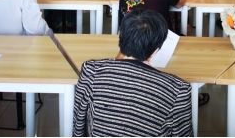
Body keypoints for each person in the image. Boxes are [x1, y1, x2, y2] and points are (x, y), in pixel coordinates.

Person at [73, 9, 193, 137]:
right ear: (155, 51)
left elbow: (78, 124)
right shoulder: (178, 89)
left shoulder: (91, 70)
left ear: (120, 34)